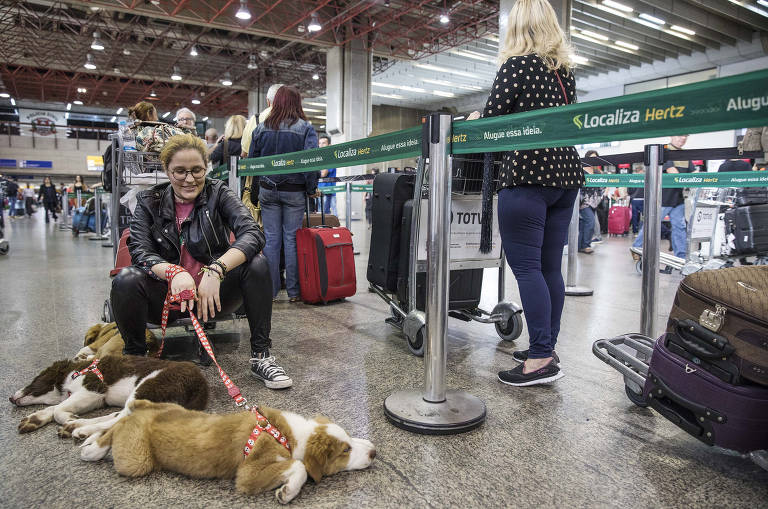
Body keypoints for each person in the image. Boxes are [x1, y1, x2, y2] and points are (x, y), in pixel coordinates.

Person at [110, 134, 292, 389]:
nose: (189, 179)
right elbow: (140, 251)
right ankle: (136, 359)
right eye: (179, 172)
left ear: (206, 167)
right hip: (166, 298)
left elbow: (253, 234)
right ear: (166, 171)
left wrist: (216, 269)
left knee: (257, 264)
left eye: (197, 170)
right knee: (125, 279)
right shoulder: (148, 201)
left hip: (213, 297)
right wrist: (174, 272)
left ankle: (261, 356)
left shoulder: (218, 192)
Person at [467, 0, 582, 387]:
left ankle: (539, 358)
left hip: (528, 175)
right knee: (549, 267)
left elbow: (495, 118)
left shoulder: (516, 65)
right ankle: (545, 347)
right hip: (566, 178)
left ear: (516, 28)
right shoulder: (564, 72)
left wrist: (475, 121)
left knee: (528, 269)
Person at [248, 85, 319, 302]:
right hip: (294, 192)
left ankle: (270, 290)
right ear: (297, 103)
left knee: (270, 239)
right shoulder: (305, 128)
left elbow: (253, 163)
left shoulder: (260, 129)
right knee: (291, 239)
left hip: (268, 190)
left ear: (276, 102)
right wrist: (310, 188)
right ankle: (294, 292)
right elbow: (311, 163)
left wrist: (256, 190)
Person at [632, 135, 691, 261]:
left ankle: (680, 256)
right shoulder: (664, 151)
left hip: (678, 199)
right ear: (672, 136)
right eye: (680, 135)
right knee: (651, 224)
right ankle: (636, 248)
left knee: (679, 227)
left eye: (685, 136)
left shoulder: (685, 155)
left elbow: (693, 172)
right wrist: (689, 180)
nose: (683, 138)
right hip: (663, 198)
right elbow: (672, 171)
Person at [241, 83, 284, 158]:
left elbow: (244, 152)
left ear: (268, 101)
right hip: (290, 166)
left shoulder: (255, 119)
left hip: (261, 167)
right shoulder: (296, 121)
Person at [316, 135, 337, 215]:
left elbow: (323, 174)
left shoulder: (330, 157)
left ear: (329, 145)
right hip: (319, 191)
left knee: (326, 215)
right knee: (320, 215)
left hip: (328, 191)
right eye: (320, 143)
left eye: (323, 143)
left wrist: (314, 173)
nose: (321, 146)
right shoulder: (320, 158)